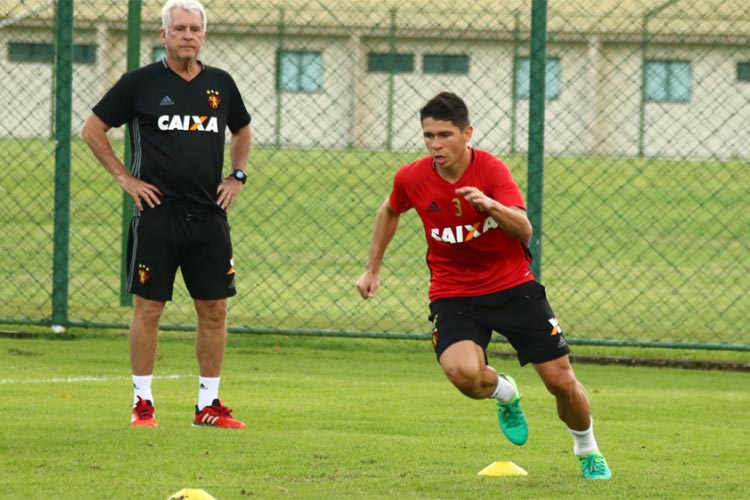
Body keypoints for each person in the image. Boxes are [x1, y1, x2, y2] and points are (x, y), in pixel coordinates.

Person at [355, 92, 612, 479]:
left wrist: (490, 205)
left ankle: (586, 446)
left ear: (467, 133)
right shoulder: (411, 177)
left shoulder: (491, 171)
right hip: (453, 291)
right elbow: (390, 209)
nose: (435, 145)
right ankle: (505, 393)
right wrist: (372, 269)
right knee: (464, 376)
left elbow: (524, 228)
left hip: (513, 287)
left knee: (562, 383)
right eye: (428, 136)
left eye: (445, 135)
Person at [82, 0, 251, 429]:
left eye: (195, 29)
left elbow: (242, 128)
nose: (188, 36)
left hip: (209, 216)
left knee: (214, 308)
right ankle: (143, 403)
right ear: (164, 35)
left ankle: (208, 406)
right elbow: (92, 129)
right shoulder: (139, 83)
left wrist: (236, 175)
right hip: (157, 213)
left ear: (204, 36)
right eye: (180, 29)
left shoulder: (221, 84)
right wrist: (126, 179)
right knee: (149, 308)